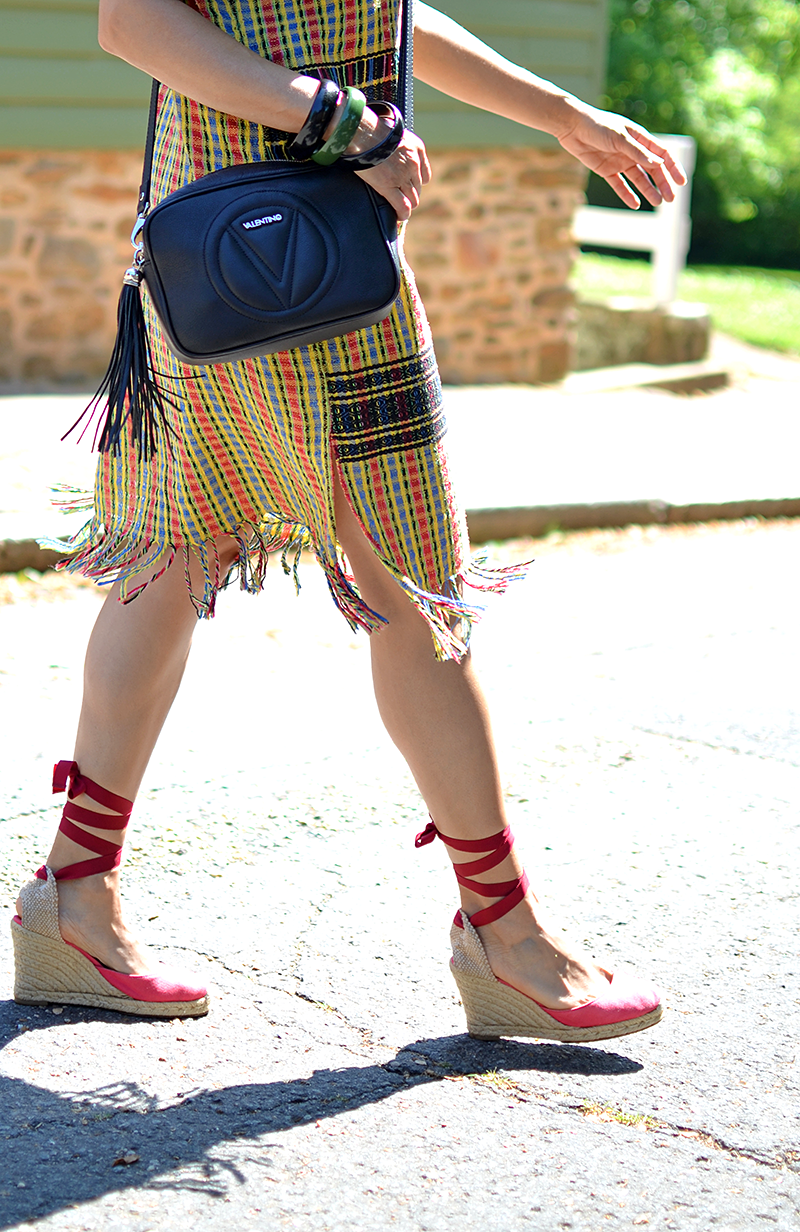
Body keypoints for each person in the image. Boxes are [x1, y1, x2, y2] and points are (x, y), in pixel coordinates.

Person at [12, 0, 685, 1040]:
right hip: (291, 251)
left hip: (240, 260)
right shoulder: (335, 146)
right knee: (410, 582)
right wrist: (349, 126)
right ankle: (505, 935)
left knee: (181, 553)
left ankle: (74, 893)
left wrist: (556, 112)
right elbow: (135, 19)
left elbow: (381, 11)